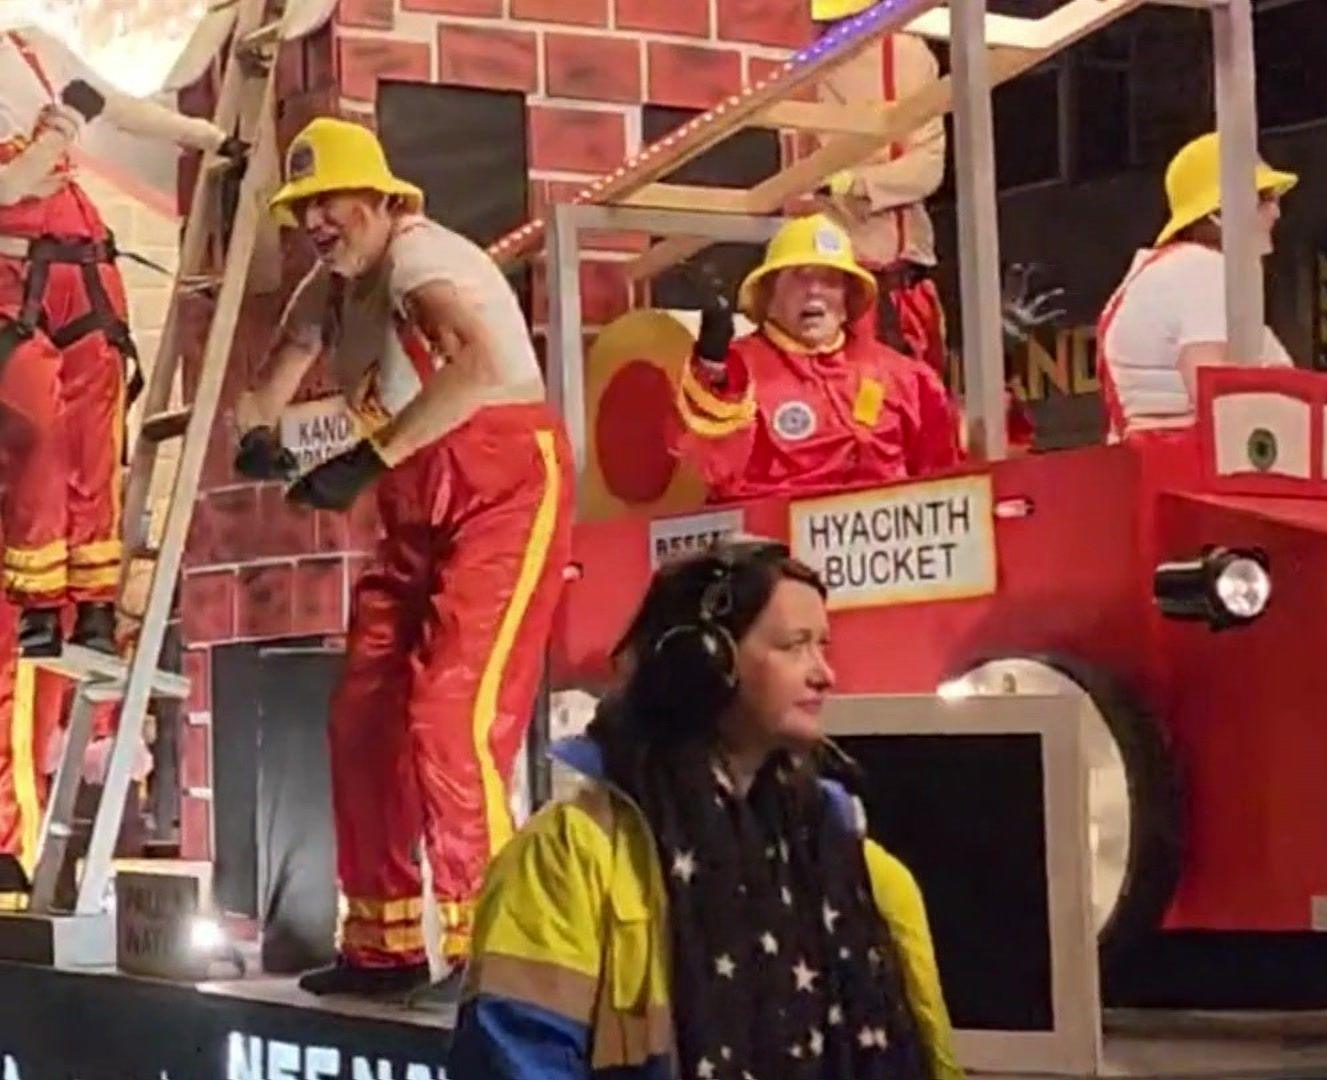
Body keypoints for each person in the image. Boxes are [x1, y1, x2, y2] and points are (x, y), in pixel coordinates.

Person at [232, 117, 573, 1001]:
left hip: (503, 490)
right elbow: (277, 367)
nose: (316, 220)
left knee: (450, 715)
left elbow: (474, 364)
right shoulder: (334, 283)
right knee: (363, 718)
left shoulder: (424, 263)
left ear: (383, 200)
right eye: (304, 206)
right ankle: (380, 946)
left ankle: (497, 953)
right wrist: (261, 433)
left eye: (330, 201)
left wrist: (363, 462)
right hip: (417, 503)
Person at [450, 539, 963, 1079]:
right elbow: (514, 1059)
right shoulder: (567, 858)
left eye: (822, 645)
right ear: (702, 664)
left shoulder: (849, 857)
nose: (823, 673)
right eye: (794, 646)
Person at [0, 28, 240, 655]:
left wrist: (212, 140)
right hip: (10, 283)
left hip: (82, 272)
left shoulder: (29, 49)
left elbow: (116, 105)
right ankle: (41, 609)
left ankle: (95, 608)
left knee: (95, 441)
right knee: (39, 435)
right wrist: (61, 129)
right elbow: (8, 187)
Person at [674, 214, 961, 502]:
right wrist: (711, 368)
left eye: (829, 280)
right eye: (799, 278)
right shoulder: (736, 373)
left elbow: (946, 488)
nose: (814, 291)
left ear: (848, 300)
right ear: (768, 296)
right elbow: (709, 468)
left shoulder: (906, 379)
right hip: (774, 542)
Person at [1096, 131, 1298, 441]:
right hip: (1192, 474)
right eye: (1264, 198)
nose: (1276, 212)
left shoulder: (1168, 271)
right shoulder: (1202, 269)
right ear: (1218, 212)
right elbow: (1215, 391)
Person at [792, 0, 948, 379]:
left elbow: (926, 169)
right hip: (838, 281)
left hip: (895, 284)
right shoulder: (811, 54)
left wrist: (856, 183)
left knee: (908, 409)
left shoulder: (906, 53)